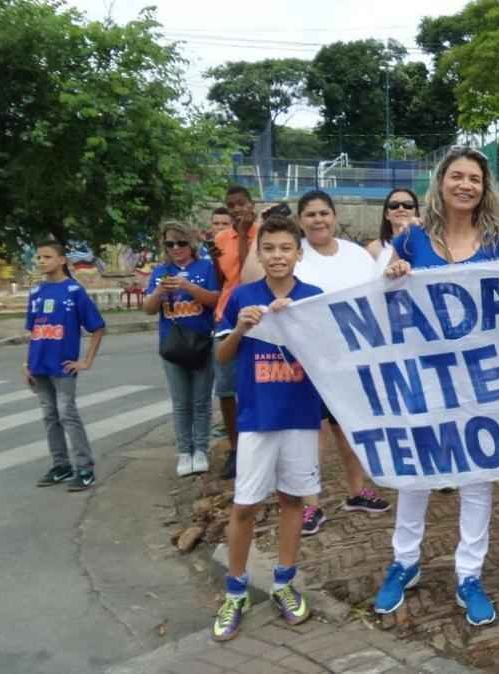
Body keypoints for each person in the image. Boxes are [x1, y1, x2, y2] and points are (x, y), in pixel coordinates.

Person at [373, 146, 499, 627]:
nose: (465, 185)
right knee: (416, 472)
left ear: (485, 189)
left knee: (476, 476)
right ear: (440, 183)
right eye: (456, 176)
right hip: (422, 376)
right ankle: (405, 562)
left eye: (475, 179)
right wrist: (391, 275)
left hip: (480, 377)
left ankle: (469, 573)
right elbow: (375, 301)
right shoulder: (412, 240)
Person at [211, 215, 324, 642]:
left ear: (299, 253)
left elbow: (328, 357)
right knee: (244, 506)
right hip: (257, 420)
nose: (277, 256)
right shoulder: (243, 296)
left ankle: (283, 582)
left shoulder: (313, 299)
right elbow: (222, 358)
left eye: (285, 248)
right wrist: (242, 327)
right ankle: (235, 590)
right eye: (270, 249)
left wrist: (298, 324)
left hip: (299, 417)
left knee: (293, 501)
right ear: (259, 254)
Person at [292, 189, 391, 535]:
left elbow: (376, 295)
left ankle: (357, 491)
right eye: (310, 215)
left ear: (334, 217)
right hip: (307, 359)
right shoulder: (295, 255)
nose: (318, 220)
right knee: (312, 435)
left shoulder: (356, 255)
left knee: (348, 429)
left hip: (350, 360)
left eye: (323, 213)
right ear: (300, 221)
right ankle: (309, 506)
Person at [26, 240, 106, 492]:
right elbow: (34, 330)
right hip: (39, 366)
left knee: (67, 414)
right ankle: (60, 465)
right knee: (49, 416)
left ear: (62, 260)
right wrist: (27, 363)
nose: (41, 261)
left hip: (63, 366)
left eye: (47, 257)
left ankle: (85, 468)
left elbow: (98, 327)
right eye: (39, 257)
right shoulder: (36, 292)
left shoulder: (74, 291)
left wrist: (86, 361)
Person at [144, 222, 220, 477]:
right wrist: (159, 292)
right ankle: (184, 452)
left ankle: (201, 449)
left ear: (191, 243)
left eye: (181, 243)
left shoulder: (206, 268)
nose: (176, 248)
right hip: (172, 344)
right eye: (170, 244)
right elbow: (148, 308)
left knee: (201, 401)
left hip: (201, 342)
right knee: (180, 403)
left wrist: (190, 288)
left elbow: (215, 300)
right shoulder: (160, 272)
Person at [211, 185, 259, 479]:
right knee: (226, 387)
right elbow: (223, 279)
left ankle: (256, 445)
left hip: (257, 314)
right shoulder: (220, 238)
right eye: (231, 205)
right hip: (227, 315)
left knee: (255, 383)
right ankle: (235, 447)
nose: (237, 209)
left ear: (251, 204)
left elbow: (246, 272)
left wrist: (243, 234)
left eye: (241, 203)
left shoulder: (262, 234)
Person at [368, 187, 421, 260]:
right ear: (387, 214)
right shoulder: (374, 249)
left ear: (416, 212)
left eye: (408, 204)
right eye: (394, 205)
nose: (401, 209)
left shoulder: (429, 244)